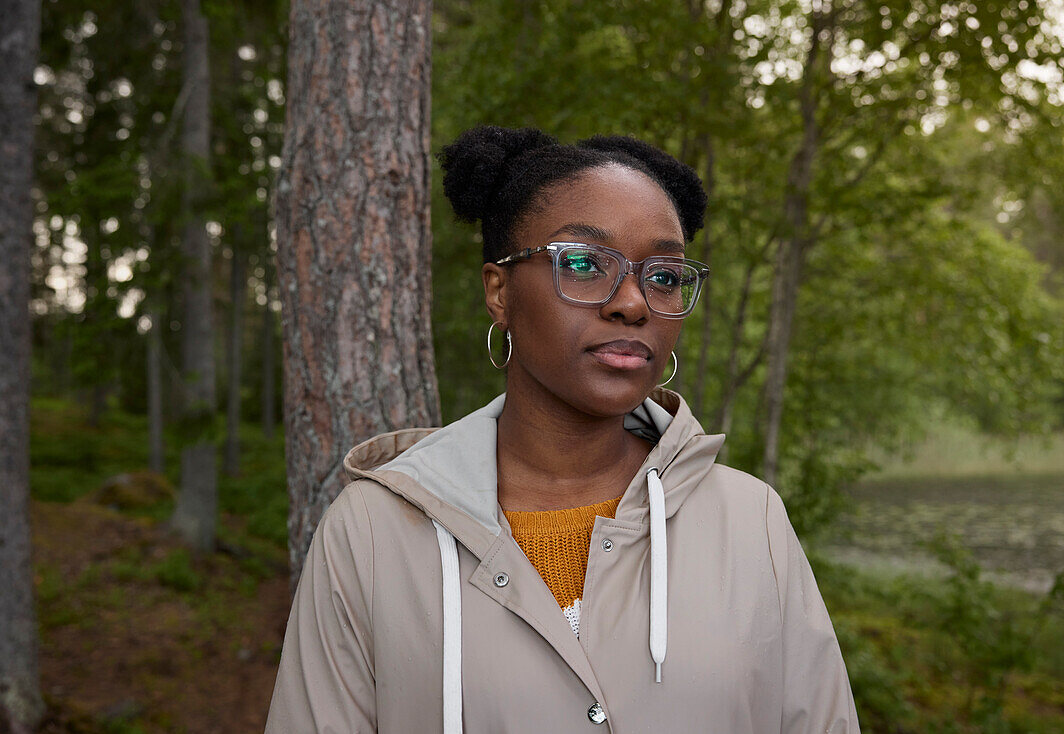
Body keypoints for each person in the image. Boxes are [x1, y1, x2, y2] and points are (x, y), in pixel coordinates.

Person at [264, 125, 860, 733]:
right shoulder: (372, 533)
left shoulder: (751, 521)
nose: (633, 303)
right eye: (582, 263)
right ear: (498, 291)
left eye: (663, 275)